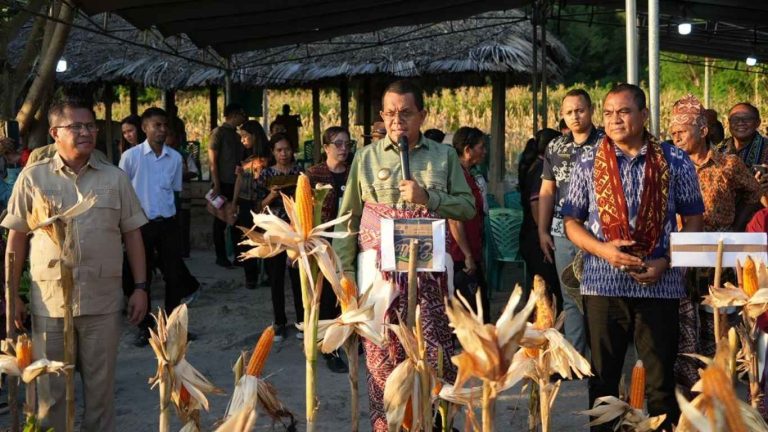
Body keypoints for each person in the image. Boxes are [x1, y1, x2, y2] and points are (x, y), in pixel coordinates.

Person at [333, 80, 475, 431]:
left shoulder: (444, 156)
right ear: (382, 116)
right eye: (391, 113)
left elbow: (467, 207)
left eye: (406, 113)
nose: (398, 121)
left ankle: (434, 423)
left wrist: (428, 198)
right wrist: (344, 276)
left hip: (430, 279)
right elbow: (349, 218)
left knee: (434, 356)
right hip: (378, 281)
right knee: (382, 359)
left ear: (422, 115)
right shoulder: (365, 158)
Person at [561, 83, 704, 430]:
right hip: (602, 284)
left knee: (659, 384)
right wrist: (603, 250)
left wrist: (665, 262)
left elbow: (694, 218)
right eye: (608, 113)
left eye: (624, 112)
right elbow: (571, 223)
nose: (615, 120)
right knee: (603, 384)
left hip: (660, 284)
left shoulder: (675, 160)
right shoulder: (588, 161)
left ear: (644, 115)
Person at [2, 98, 148, 431]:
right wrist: (13, 295)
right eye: (76, 126)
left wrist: (140, 287)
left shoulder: (115, 179)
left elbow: (133, 235)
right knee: (51, 394)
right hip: (50, 305)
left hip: (102, 303)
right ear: (55, 133)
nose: (86, 132)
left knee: (101, 392)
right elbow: (16, 239)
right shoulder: (33, 178)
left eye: (90, 126)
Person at [668, 94, 760, 390]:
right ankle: (689, 390)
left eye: (682, 131)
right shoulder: (669, 165)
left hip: (719, 258)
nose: (676, 137)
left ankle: (720, 389)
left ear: (703, 131)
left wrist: (737, 226)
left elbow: (754, 192)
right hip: (681, 257)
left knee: (719, 327)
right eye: (673, 132)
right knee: (683, 326)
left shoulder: (728, 164)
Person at [538, 88, 603, 356]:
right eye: (569, 112)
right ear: (562, 115)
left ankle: (602, 361)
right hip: (562, 232)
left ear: (591, 110)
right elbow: (547, 190)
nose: (575, 116)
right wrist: (542, 230)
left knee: (601, 297)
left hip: (598, 234)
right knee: (571, 296)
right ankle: (576, 360)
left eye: (580, 110)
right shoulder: (555, 147)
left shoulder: (607, 144)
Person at [119, 107, 185, 347]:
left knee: (174, 276)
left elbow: (174, 190)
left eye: (164, 125)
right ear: (144, 128)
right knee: (139, 277)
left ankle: (172, 327)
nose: (162, 129)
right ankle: (144, 326)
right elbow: (121, 191)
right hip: (139, 225)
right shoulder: (131, 157)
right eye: (156, 125)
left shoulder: (175, 158)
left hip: (167, 222)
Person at [307, 126, 352, 373]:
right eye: (338, 144)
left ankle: (348, 339)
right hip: (323, 242)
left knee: (347, 291)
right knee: (325, 297)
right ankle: (328, 348)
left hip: (349, 241)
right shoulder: (314, 174)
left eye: (347, 144)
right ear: (326, 147)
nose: (344, 149)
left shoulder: (353, 172)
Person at [255, 133, 304, 342]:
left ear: (293, 150)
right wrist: (272, 195)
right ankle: (280, 322)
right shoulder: (266, 175)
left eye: (287, 149)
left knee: (298, 279)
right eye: (279, 150)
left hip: (295, 230)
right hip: (274, 230)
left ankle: (302, 321)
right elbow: (257, 206)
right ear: (273, 152)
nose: (284, 154)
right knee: (276, 278)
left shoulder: (300, 172)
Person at [449, 126, 491, 321]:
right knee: (472, 315)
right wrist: (467, 255)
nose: (484, 151)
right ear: (467, 150)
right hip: (460, 257)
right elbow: (455, 220)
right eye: (481, 147)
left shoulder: (468, 174)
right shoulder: (457, 177)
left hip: (470, 253)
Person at [519, 128, 562, 305]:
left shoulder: (536, 165)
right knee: (546, 294)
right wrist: (542, 233)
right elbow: (536, 202)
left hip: (531, 235)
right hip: (536, 238)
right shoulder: (541, 169)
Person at [232, 120, 270, 290]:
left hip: (263, 202)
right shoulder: (244, 156)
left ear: (255, 136)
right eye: (241, 137)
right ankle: (251, 277)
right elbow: (239, 181)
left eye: (245, 136)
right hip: (245, 202)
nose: (242, 140)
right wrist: (234, 202)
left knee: (266, 238)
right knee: (247, 238)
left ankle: (268, 274)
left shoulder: (268, 158)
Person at [209, 103, 247, 268]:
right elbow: (212, 161)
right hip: (223, 183)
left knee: (235, 220)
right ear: (234, 115)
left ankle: (238, 256)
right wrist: (216, 184)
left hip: (236, 184)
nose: (243, 118)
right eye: (241, 114)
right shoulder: (218, 133)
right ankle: (221, 256)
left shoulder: (237, 135)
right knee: (220, 222)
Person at [721, 102, 767, 167]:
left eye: (747, 118)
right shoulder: (719, 148)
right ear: (729, 123)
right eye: (735, 119)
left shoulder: (765, 147)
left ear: (758, 122)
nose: (740, 123)